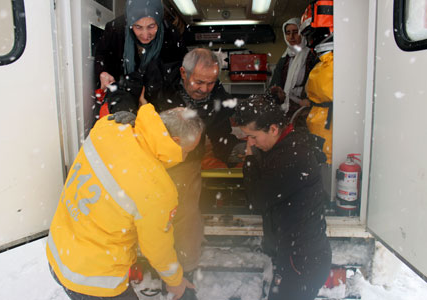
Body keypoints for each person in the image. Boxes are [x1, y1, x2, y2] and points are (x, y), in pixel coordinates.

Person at [113, 48, 244, 295]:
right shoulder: (157, 73)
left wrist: (232, 152)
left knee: (183, 215)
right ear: (183, 73)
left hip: (185, 159)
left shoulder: (216, 96)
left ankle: (185, 272)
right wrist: (126, 109)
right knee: (140, 211)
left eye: (211, 82)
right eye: (199, 82)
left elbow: (219, 132)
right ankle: (140, 260)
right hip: (148, 154)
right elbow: (126, 89)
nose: (205, 88)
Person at [46, 103, 204, 300]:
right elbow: (157, 249)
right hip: (94, 281)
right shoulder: (157, 189)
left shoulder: (107, 126)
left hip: (58, 254)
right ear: (175, 141)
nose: (185, 156)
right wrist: (176, 281)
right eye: (187, 150)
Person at [234, 96, 332, 300]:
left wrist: (250, 159)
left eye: (253, 136)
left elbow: (256, 201)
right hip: (297, 257)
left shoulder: (292, 157)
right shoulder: (287, 144)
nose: (250, 142)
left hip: (301, 263)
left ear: (273, 128)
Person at [94, 0, 187, 112]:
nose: (145, 34)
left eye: (151, 26)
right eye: (138, 27)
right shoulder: (116, 29)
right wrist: (102, 72)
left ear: (159, 21)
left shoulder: (171, 34)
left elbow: (179, 69)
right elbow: (101, 55)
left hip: (159, 100)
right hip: (123, 99)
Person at [300, 1, 334, 204]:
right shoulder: (325, 63)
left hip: (328, 139)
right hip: (320, 133)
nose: (311, 41)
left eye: (313, 34)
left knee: (326, 187)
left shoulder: (333, 64)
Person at [268, 17, 318, 120]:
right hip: (286, 108)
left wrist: (308, 100)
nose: (291, 37)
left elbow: (317, 85)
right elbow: (276, 84)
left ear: (302, 34)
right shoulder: (284, 58)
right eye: (288, 33)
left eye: (296, 32)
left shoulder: (311, 56)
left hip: (306, 109)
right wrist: (277, 94)